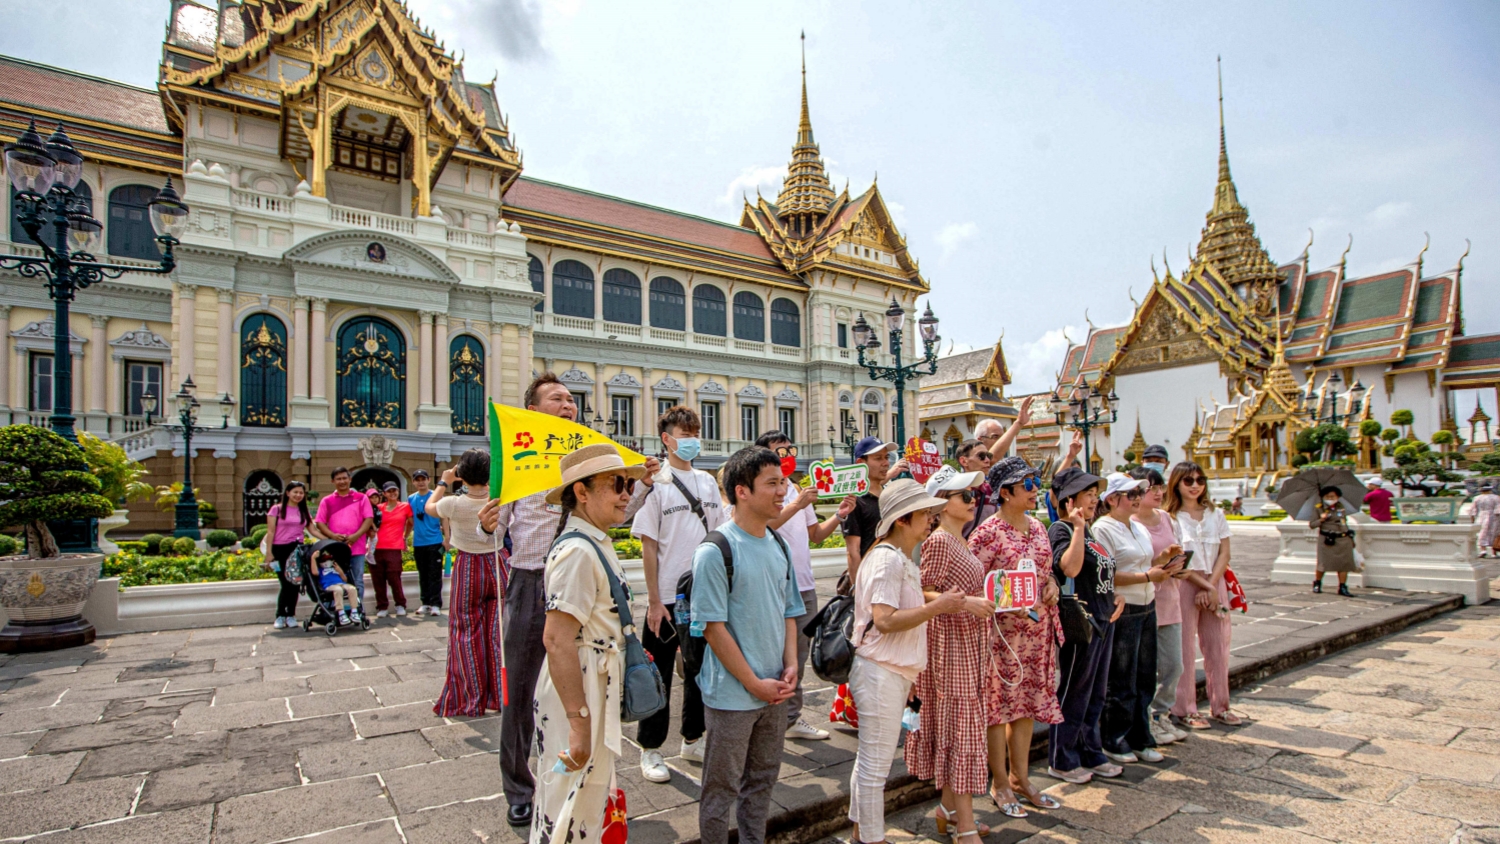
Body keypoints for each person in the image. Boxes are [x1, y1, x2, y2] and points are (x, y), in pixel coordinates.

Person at [476, 373, 657, 828]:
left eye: (572, 400)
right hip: (531, 582)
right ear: (533, 411)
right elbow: (498, 529)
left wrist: (642, 485)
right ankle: (520, 786)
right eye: (556, 399)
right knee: (520, 692)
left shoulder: (586, 461)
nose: (568, 405)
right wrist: (485, 523)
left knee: (578, 687)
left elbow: (610, 517)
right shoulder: (519, 462)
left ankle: (584, 772)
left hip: (580, 585)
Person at [532, 444, 649, 844]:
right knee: (571, 801)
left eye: (630, 485)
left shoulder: (594, 541)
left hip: (593, 681)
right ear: (581, 492)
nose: (626, 494)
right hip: (580, 689)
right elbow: (556, 639)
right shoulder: (578, 551)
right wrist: (579, 724)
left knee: (590, 797)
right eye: (617, 484)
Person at [691, 447, 807, 844]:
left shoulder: (778, 545)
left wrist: (790, 666)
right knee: (720, 789)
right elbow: (712, 628)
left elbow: (790, 611)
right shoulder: (715, 550)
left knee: (762, 782)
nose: (782, 492)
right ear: (742, 491)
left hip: (775, 689)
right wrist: (753, 683)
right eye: (772, 484)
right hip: (732, 696)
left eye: (784, 483)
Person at [848, 479, 967, 844]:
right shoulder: (887, 559)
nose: (931, 519)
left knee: (870, 760)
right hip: (880, 671)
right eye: (926, 513)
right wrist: (938, 607)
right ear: (903, 519)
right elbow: (885, 620)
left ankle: (860, 833)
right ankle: (872, 838)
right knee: (875, 764)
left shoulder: (897, 557)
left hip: (889, 670)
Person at [906, 467, 1007, 835]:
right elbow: (922, 591)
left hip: (969, 639)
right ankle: (963, 826)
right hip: (948, 642)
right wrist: (965, 604)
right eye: (964, 496)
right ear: (942, 504)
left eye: (973, 495)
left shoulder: (961, 539)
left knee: (961, 728)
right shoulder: (938, 541)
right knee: (961, 728)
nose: (972, 500)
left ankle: (949, 811)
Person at [632, 406, 727, 782]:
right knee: (656, 672)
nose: (691, 438)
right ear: (667, 439)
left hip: (701, 595)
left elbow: (719, 536)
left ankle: (692, 737)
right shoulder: (657, 482)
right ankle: (651, 748)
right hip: (668, 598)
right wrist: (655, 601)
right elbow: (649, 547)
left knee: (699, 670)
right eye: (683, 433)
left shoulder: (706, 482)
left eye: (695, 431)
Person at [967, 457, 1063, 812]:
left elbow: (1045, 571)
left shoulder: (1037, 528)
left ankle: (1022, 778)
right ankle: (1001, 783)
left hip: (1037, 632)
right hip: (1002, 636)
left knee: (1025, 707)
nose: (1035, 490)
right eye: (1028, 484)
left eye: (1036, 482)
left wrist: (1051, 584)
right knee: (999, 709)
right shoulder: (987, 533)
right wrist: (1008, 603)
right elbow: (974, 584)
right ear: (1005, 493)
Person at [759, 430, 854, 742]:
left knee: (798, 656)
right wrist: (797, 503)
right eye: (779, 451)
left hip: (804, 584)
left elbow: (815, 535)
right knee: (771, 656)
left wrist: (839, 517)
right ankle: (767, 720)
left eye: (790, 449)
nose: (787, 456)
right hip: (773, 586)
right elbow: (762, 525)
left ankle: (791, 718)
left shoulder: (798, 488)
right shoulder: (769, 491)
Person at [1090, 473, 1180, 766]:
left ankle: (1142, 736)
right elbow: (1106, 573)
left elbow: (1145, 562)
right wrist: (1146, 576)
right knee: (1122, 679)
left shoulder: (1137, 527)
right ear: (1113, 499)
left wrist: (1162, 558)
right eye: (1130, 494)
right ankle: (1115, 738)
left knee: (1144, 676)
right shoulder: (1103, 529)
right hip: (1123, 607)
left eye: (1138, 492)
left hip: (1146, 603)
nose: (1137, 498)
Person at [1046, 466, 1125, 785]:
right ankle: (1062, 757)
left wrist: (1115, 595)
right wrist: (1077, 528)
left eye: (1095, 495)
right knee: (1074, 691)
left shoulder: (1088, 530)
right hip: (1081, 622)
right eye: (1087, 496)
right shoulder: (1062, 530)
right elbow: (1071, 568)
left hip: (1104, 617)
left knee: (1096, 692)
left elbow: (1101, 572)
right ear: (1069, 501)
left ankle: (1091, 750)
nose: (1094, 501)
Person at [428, 449, 506, 718]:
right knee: (499, 635)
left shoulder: (453, 504)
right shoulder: (501, 501)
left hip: (468, 567)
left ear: (461, 474)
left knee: (465, 632)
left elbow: (428, 507)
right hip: (498, 565)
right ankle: (500, 695)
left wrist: (444, 482)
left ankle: (470, 698)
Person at [1165, 462, 1243, 728]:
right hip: (1186, 582)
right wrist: (1204, 586)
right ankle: (1185, 709)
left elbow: (1225, 552)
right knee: (1185, 648)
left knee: (1217, 646)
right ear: (1176, 483)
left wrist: (1212, 585)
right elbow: (1177, 561)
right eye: (1188, 480)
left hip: (1214, 579)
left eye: (1200, 480)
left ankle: (1221, 705)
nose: (1195, 485)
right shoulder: (1171, 517)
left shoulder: (1214, 513)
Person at [1130, 467, 1190, 747]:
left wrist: (1178, 566)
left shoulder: (1166, 518)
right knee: (1145, 668)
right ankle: (1146, 719)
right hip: (1144, 599)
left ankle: (1160, 712)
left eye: (1159, 487)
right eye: (1149, 488)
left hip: (1170, 597)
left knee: (1174, 665)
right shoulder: (1128, 523)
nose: (1156, 492)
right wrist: (1157, 566)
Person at [841, 437, 909, 579]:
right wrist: (858, 590)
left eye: (886, 457)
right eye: (878, 458)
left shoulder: (889, 495)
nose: (885, 463)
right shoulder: (854, 502)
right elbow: (853, 552)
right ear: (861, 463)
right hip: (871, 578)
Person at [313, 467, 375, 607]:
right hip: (335, 549)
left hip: (357, 547)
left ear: (350, 479)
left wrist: (355, 536)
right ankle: (337, 610)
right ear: (333, 481)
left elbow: (368, 519)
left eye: (344, 478)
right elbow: (320, 522)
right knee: (334, 580)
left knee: (357, 580)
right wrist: (332, 536)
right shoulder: (327, 500)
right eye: (338, 479)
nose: (342, 481)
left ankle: (358, 610)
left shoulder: (361, 498)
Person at [265, 480, 312, 629]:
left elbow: (313, 530)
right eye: (295, 492)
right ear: (287, 493)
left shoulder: (303, 511)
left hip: (297, 550)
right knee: (285, 583)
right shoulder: (277, 509)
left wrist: (331, 538)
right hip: (280, 549)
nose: (298, 495)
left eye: (301, 493)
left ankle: (291, 615)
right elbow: (270, 532)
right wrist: (269, 553)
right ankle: (280, 615)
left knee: (294, 583)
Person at [408, 469, 447, 616]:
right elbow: (410, 519)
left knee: (435, 574)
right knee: (423, 574)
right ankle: (425, 602)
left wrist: (447, 538)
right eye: (417, 480)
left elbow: (444, 518)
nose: (420, 482)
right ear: (413, 482)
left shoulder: (436, 496)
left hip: (435, 541)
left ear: (428, 480)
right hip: (419, 542)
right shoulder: (411, 498)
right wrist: (405, 536)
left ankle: (436, 603)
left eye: (423, 479)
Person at [372, 481, 412, 619]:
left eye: (394, 490)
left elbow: (411, 523)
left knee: (394, 577)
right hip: (377, 547)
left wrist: (405, 537)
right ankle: (382, 606)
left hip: (394, 547)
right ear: (384, 494)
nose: (392, 493)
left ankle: (400, 604)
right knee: (378, 579)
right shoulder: (378, 508)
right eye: (389, 491)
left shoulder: (405, 507)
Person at [1311, 486, 1357, 598]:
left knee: (1344, 564)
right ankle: (1317, 582)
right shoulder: (1319, 508)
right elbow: (1312, 525)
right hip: (1327, 539)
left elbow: (1343, 522)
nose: (1330, 498)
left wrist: (1351, 538)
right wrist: (1321, 519)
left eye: (1333, 496)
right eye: (1327, 496)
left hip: (1342, 538)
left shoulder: (1341, 507)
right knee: (1323, 563)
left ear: (1338, 497)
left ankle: (1342, 586)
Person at [955, 439, 997, 534]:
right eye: (981, 456)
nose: (987, 460)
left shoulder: (991, 490)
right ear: (964, 461)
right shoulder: (953, 492)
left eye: (988, 456)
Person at [315, 545, 360, 625]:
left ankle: (354, 611)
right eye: (324, 560)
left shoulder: (335, 568)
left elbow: (345, 580)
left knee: (352, 588)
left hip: (341, 583)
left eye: (329, 559)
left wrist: (340, 571)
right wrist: (313, 558)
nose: (327, 562)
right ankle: (341, 612)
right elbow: (314, 572)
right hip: (329, 585)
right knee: (338, 589)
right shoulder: (320, 570)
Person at [1475, 484, 1500, 556]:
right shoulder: (1496, 498)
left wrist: (1473, 519)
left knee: (1481, 533)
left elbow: (1473, 510)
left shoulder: (1477, 498)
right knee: (1494, 533)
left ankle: (1483, 550)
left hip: (1481, 516)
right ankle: (1494, 552)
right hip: (1494, 516)